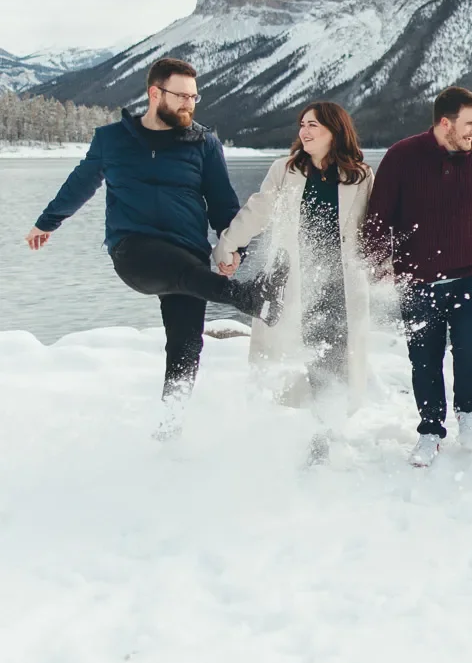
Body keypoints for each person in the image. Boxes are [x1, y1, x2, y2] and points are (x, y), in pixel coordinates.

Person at [24, 57, 280, 439]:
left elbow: (223, 204)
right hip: (135, 251)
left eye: (194, 97)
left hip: (189, 255)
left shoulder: (204, 143)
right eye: (182, 96)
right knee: (180, 271)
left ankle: (169, 428)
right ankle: (251, 297)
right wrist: (47, 222)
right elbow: (80, 184)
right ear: (155, 93)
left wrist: (236, 250)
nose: (190, 104)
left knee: (185, 344)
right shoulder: (112, 140)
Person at [362, 87, 472, 468]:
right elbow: (378, 218)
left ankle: (468, 410)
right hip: (416, 280)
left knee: (470, 348)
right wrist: (377, 262)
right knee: (424, 358)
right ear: (445, 123)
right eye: (469, 123)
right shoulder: (401, 157)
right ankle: (430, 429)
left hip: (471, 274)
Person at [210, 102, 374, 464]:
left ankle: (324, 434)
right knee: (287, 357)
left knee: (332, 358)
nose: (304, 131)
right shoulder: (285, 170)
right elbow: (257, 211)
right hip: (294, 281)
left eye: (313, 125)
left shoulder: (360, 176)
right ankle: (282, 433)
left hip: (340, 286)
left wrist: (385, 266)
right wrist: (228, 244)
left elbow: (371, 229)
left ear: (335, 130)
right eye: (302, 124)